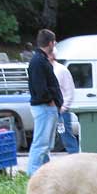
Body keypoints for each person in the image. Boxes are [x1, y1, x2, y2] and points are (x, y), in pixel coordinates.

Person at [27, 29, 63, 176]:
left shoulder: (41, 60)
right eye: (54, 42)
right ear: (50, 43)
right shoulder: (38, 62)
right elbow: (39, 87)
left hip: (47, 107)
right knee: (40, 144)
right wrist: (50, 101)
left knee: (46, 145)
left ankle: (45, 174)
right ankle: (33, 174)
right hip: (44, 108)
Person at [48, 50, 79, 153]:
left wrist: (64, 107)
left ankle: (74, 156)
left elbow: (69, 90)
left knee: (66, 135)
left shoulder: (61, 70)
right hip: (49, 108)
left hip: (60, 109)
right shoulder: (45, 69)